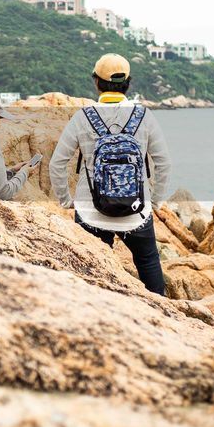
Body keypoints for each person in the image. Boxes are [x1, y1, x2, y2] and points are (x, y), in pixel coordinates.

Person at [49, 54, 171, 295]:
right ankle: (163, 313)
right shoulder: (144, 116)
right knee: (147, 262)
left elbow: (57, 164)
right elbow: (163, 162)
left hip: (91, 212)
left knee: (90, 277)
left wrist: (66, 201)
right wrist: (154, 201)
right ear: (128, 83)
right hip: (137, 211)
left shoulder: (82, 117)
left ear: (96, 82)